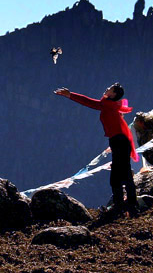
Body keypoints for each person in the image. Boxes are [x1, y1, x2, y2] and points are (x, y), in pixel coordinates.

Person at [54, 83, 139, 215]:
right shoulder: (109, 104)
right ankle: (128, 204)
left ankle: (123, 205)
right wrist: (70, 95)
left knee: (119, 173)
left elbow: (89, 102)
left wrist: (70, 95)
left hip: (119, 141)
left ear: (114, 94)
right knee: (122, 172)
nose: (106, 89)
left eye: (110, 89)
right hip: (118, 141)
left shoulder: (107, 104)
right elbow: (92, 103)